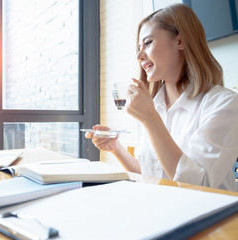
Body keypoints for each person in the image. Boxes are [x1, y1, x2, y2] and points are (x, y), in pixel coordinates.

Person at [86, 3, 238, 191]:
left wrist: (150, 119)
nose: (139, 55)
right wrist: (115, 147)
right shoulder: (152, 106)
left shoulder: (224, 104)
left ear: (180, 41)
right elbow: (150, 174)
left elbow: (197, 186)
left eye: (148, 43)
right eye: (139, 47)